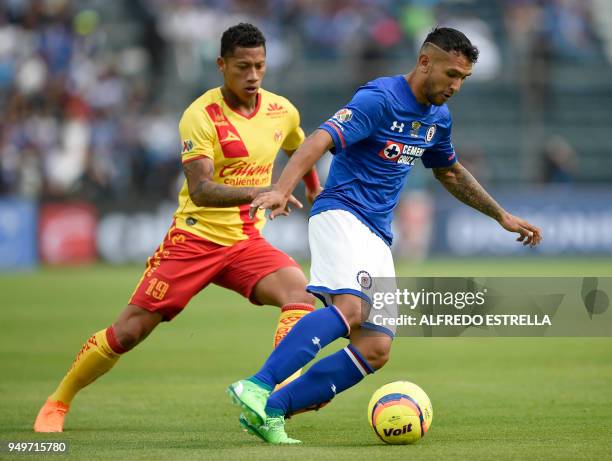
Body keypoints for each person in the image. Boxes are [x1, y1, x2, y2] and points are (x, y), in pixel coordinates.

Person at [227, 27, 543, 444]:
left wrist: (500, 215)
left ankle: (271, 411)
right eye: (451, 74)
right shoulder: (379, 99)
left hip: (377, 234)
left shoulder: (438, 118)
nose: (456, 86)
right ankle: (258, 384)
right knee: (352, 310)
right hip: (341, 213)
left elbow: (448, 170)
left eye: (463, 78)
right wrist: (282, 188)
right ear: (425, 62)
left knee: (375, 349)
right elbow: (320, 138)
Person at [34, 23, 322, 433]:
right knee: (129, 332)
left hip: (245, 242)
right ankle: (58, 401)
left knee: (300, 294)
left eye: (260, 66)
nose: (254, 76)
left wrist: (314, 188)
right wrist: (268, 190)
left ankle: (267, 400)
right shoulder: (200, 116)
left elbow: (300, 145)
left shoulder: (281, 109)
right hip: (195, 240)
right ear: (222, 65)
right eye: (243, 67)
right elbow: (202, 190)